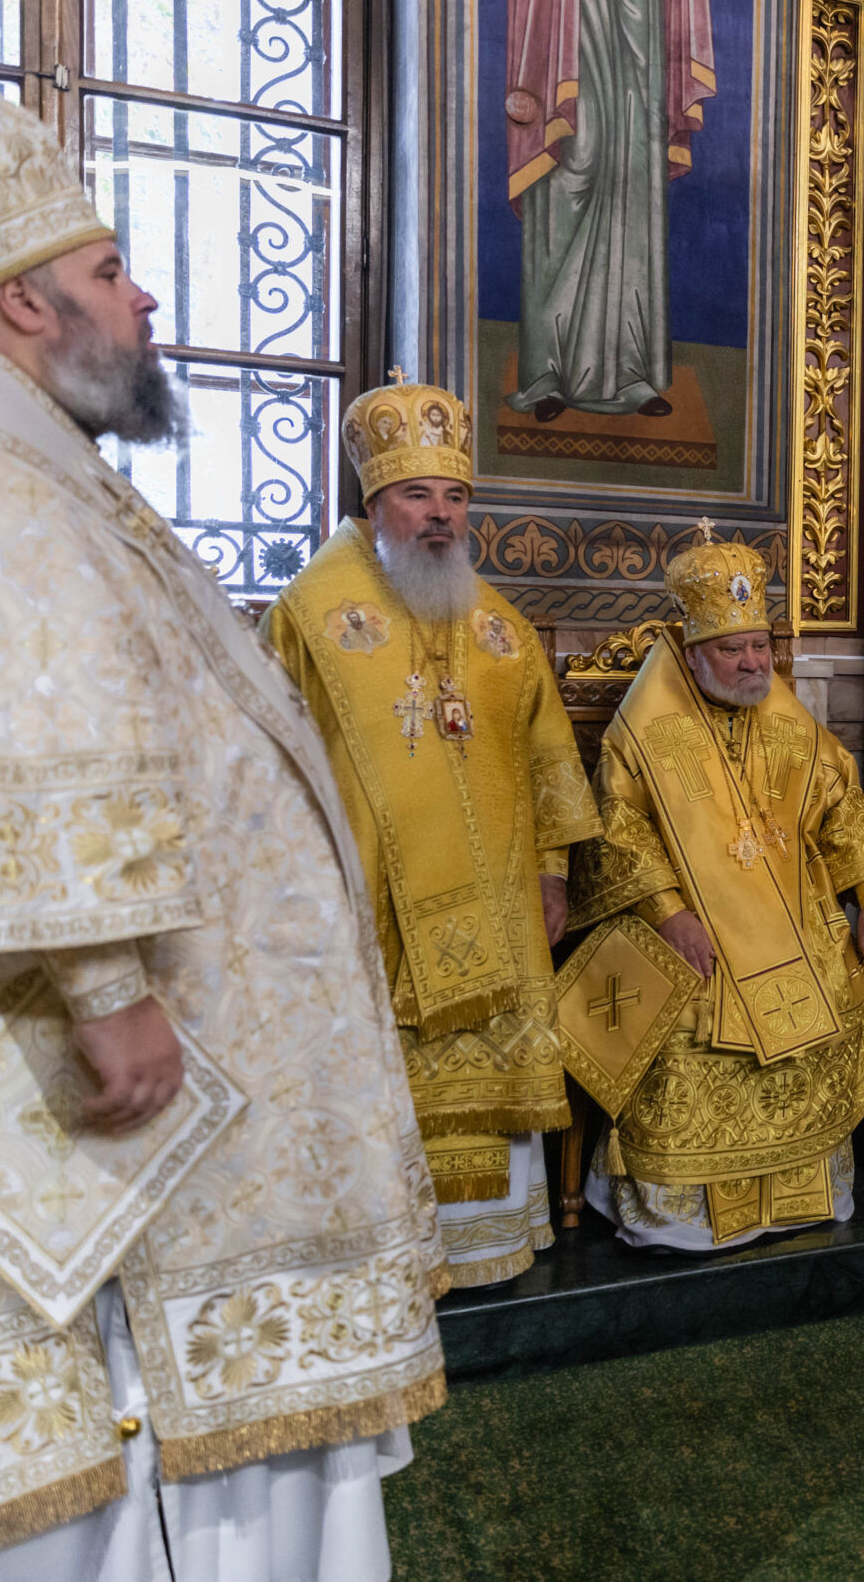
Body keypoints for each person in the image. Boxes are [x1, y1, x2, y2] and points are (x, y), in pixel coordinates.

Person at [0, 91, 443, 1578]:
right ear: (23, 303)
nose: (143, 298)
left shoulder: (2, 472)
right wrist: (110, 992)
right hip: (111, 1113)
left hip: (146, 1098)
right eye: (110, 271)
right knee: (119, 1464)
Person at [264, 376, 599, 1288]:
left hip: (502, 908)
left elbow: (548, 759)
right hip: (367, 908)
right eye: (417, 494)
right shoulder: (310, 618)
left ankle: (486, 1243)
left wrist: (553, 871)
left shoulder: (502, 630)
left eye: (455, 495)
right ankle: (384, 1255)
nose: (441, 514)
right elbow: (265, 765)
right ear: (374, 503)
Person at [568, 528, 864, 1246]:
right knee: (684, 1009)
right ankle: (680, 1213)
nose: (753, 662)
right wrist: (668, 913)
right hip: (692, 922)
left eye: (760, 644)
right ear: (692, 652)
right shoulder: (643, 731)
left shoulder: (786, 718)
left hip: (790, 913)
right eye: (733, 649)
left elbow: (842, 804)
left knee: (833, 981)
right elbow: (616, 830)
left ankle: (801, 1192)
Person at [498, 0, 738, 418]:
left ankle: (630, 371)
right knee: (573, 165)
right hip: (570, 12)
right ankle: (549, 370)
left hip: (639, 16)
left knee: (633, 174)